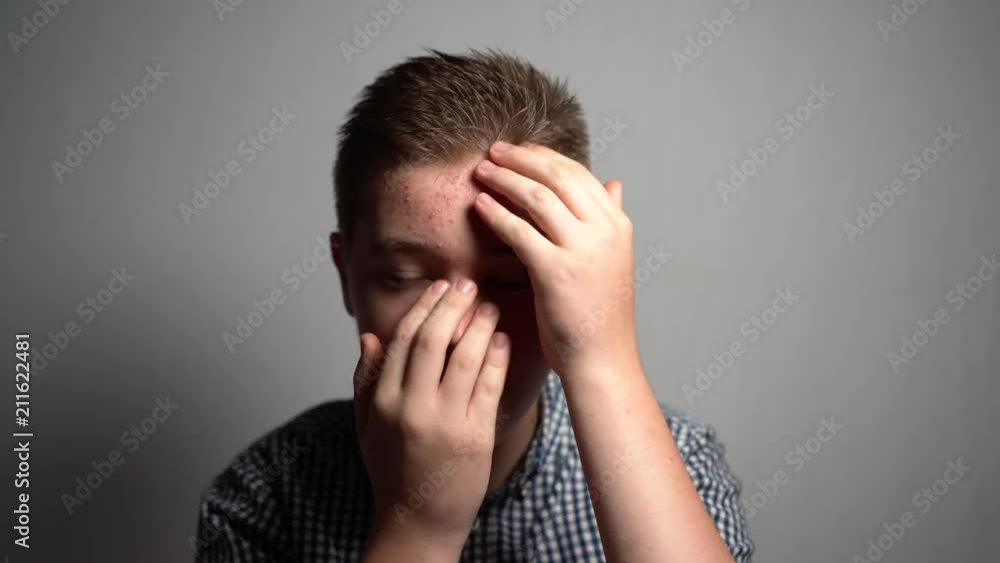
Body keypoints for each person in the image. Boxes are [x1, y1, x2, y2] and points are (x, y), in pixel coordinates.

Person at [195, 48, 753, 562]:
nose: (460, 331)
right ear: (348, 277)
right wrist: (418, 528)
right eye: (404, 277)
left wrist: (603, 356)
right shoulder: (265, 494)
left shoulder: (679, 463)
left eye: (511, 280)